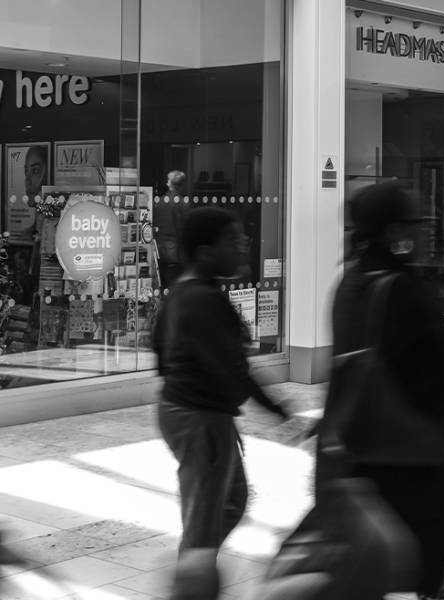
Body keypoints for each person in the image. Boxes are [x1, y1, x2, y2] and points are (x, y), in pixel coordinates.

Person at [326, 181, 444, 599]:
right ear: (394, 232)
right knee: (434, 578)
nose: (427, 230)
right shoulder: (400, 290)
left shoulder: (349, 283)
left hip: (366, 461)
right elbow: (438, 387)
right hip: (419, 467)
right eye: (418, 222)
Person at [153, 207, 291, 599]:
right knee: (206, 518)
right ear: (205, 250)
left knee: (229, 501)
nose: (243, 245)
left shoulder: (184, 291)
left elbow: (159, 350)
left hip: (191, 412)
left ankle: (195, 575)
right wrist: (279, 411)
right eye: (232, 241)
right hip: (199, 418)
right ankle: (191, 585)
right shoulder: (201, 299)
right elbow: (234, 371)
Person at [155, 170, 190, 289]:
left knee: (163, 283)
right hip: (175, 251)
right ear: (182, 185)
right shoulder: (181, 203)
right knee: (174, 285)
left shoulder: (159, 202)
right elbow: (183, 228)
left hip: (159, 249)